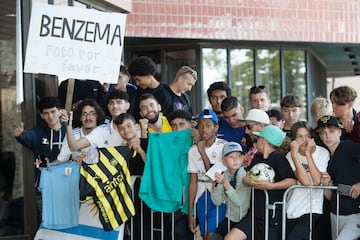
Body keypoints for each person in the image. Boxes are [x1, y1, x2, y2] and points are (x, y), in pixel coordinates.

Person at [225, 125, 296, 240]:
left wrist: (271, 186)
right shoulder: (257, 158)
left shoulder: (278, 158)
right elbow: (246, 178)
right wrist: (249, 180)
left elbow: (292, 181)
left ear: (263, 140)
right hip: (254, 213)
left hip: (272, 215)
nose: (255, 143)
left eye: (257, 139)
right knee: (231, 238)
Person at [317, 116, 360, 240]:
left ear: (340, 132)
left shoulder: (347, 147)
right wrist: (326, 185)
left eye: (331, 131)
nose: (327, 136)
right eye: (323, 133)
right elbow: (330, 196)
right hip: (335, 214)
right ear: (320, 136)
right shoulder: (325, 157)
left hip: (355, 213)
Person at [285, 121, 330, 240]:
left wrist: (308, 155)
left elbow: (315, 182)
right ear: (294, 139)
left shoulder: (323, 153)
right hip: (292, 208)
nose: (304, 140)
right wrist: (295, 155)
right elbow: (303, 179)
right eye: (299, 136)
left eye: (307, 136)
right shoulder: (290, 155)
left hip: (312, 208)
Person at [187, 109, 227, 240]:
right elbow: (193, 182)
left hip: (217, 197)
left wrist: (202, 152)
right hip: (200, 198)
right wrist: (190, 212)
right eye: (201, 125)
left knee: (212, 236)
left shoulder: (224, 147)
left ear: (216, 127)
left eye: (208, 125)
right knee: (205, 236)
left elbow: (213, 176)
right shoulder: (193, 151)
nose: (204, 129)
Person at [210, 142, 251, 239]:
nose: (235, 160)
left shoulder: (242, 174)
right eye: (230, 157)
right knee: (215, 238)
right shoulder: (224, 174)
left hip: (244, 219)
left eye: (238, 156)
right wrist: (214, 187)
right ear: (223, 160)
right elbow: (217, 201)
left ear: (242, 158)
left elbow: (239, 201)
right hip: (230, 218)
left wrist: (225, 184)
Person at [66, 90, 130, 151]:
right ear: (108, 106)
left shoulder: (136, 129)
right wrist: (68, 123)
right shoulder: (100, 131)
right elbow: (74, 147)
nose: (115, 106)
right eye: (111, 103)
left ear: (127, 105)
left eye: (119, 102)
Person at [57, 99, 106, 163]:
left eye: (92, 114)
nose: (88, 117)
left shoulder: (104, 133)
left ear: (97, 116)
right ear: (80, 117)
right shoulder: (71, 135)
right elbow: (61, 160)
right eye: (84, 114)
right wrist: (46, 167)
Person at [128, 56, 169, 120]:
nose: (137, 83)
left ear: (148, 75)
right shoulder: (137, 92)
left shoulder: (165, 92)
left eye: (139, 80)